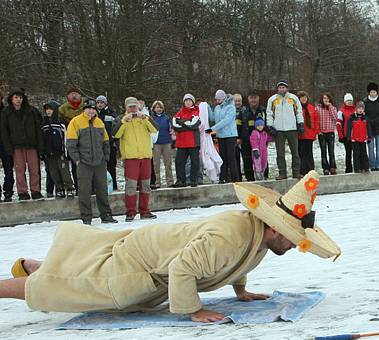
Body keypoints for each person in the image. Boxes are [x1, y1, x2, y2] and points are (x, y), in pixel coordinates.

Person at [2, 171, 340, 323]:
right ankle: (17, 283)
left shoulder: (258, 236)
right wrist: (193, 309)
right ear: (274, 227)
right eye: (292, 239)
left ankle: (34, 264)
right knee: (63, 290)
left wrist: (241, 290)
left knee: (79, 269)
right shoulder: (231, 236)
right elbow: (183, 268)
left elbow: (241, 260)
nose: (296, 246)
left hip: (151, 247)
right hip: (137, 264)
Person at [66, 99, 117, 224]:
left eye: (93, 109)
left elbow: (106, 142)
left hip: (99, 162)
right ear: (84, 109)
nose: (91, 111)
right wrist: (77, 159)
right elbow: (71, 144)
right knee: (84, 191)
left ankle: (106, 215)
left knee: (102, 190)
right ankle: (86, 217)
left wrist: (105, 157)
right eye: (88, 108)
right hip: (84, 162)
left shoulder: (99, 122)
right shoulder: (75, 122)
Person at [114, 96, 158, 222]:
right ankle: (130, 212)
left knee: (146, 185)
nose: (133, 109)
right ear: (126, 107)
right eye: (130, 106)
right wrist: (124, 121)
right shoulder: (121, 119)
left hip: (145, 156)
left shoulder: (144, 118)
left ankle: (145, 211)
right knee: (131, 186)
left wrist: (146, 118)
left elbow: (155, 129)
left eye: (135, 106)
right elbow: (115, 134)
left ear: (138, 106)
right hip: (131, 158)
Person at [0, 89, 44, 200]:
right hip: (16, 146)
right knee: (20, 170)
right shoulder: (6, 112)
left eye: (20, 97)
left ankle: (35, 191)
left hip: (31, 145)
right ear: (11, 99)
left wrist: (40, 145)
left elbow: (38, 129)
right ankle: (22, 192)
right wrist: (8, 147)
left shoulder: (31, 111)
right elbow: (4, 132)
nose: (18, 100)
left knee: (34, 170)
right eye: (16, 97)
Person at [266, 80, 304, 180]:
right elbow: (269, 113)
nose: (281, 89)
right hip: (278, 130)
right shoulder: (272, 99)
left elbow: (299, 112)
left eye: (283, 87)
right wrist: (270, 126)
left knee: (295, 152)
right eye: (280, 87)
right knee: (280, 153)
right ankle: (282, 173)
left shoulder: (293, 98)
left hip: (292, 128)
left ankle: (296, 172)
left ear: (287, 88)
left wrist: (300, 124)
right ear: (277, 89)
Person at [40, 100, 74, 198]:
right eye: (46, 109)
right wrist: (43, 152)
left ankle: (70, 188)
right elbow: (42, 139)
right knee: (53, 172)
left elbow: (65, 137)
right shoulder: (44, 123)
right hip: (49, 153)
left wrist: (66, 152)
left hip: (61, 153)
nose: (48, 111)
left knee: (64, 172)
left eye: (50, 109)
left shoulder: (61, 122)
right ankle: (59, 189)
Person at [172, 93, 202, 188]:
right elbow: (174, 124)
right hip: (181, 143)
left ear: (192, 102)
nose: (188, 102)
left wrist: (181, 122)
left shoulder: (196, 111)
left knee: (195, 162)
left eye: (189, 100)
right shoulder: (179, 112)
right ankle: (181, 180)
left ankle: (194, 180)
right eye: (186, 101)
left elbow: (193, 124)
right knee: (179, 162)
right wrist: (186, 123)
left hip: (193, 142)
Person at [210, 90, 240, 183]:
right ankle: (223, 178)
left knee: (231, 157)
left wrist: (212, 129)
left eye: (219, 99)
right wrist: (205, 107)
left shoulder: (231, 107)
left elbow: (226, 121)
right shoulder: (217, 108)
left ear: (223, 98)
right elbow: (212, 118)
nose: (217, 101)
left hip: (230, 135)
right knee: (222, 157)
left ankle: (235, 178)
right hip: (221, 136)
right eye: (216, 99)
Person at [94, 95, 118, 190]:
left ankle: (114, 185)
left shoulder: (111, 113)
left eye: (102, 103)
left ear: (105, 103)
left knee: (111, 165)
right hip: (97, 144)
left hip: (109, 144)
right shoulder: (93, 113)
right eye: (98, 103)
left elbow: (115, 127)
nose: (100, 104)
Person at [150, 100, 173, 188]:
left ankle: (170, 181)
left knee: (168, 163)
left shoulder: (167, 118)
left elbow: (171, 130)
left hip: (166, 142)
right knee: (156, 164)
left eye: (160, 107)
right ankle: (157, 182)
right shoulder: (151, 118)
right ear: (154, 109)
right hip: (156, 143)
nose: (158, 109)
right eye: (157, 107)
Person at [363, 83, 379, 172]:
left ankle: (378, 165)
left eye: (374, 92)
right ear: (369, 92)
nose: (373, 93)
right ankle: (372, 165)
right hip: (369, 128)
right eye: (371, 92)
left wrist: (375, 121)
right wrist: (369, 121)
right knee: (371, 147)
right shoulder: (365, 102)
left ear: (377, 92)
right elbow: (363, 113)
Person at [297, 91, 319, 173]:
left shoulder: (311, 107)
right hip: (300, 135)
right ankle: (302, 170)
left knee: (309, 152)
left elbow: (316, 120)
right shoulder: (296, 108)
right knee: (301, 153)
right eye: (301, 97)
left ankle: (310, 169)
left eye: (305, 97)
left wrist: (316, 131)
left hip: (310, 134)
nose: (303, 98)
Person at [316, 93, 338, 175]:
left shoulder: (333, 108)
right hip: (321, 133)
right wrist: (318, 130)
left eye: (327, 98)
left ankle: (333, 167)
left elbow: (335, 118)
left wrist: (330, 107)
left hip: (330, 132)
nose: (326, 100)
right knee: (323, 151)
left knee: (331, 151)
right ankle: (325, 168)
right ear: (322, 99)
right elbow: (316, 120)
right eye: (324, 98)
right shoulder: (318, 108)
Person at [346, 101, 370, 173]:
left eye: (362, 108)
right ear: (356, 109)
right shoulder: (352, 117)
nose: (360, 110)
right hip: (355, 139)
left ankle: (365, 167)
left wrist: (369, 137)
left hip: (363, 139)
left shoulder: (365, 118)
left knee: (364, 153)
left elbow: (368, 128)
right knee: (356, 154)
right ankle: (357, 168)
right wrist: (349, 137)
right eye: (359, 108)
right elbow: (349, 128)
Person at [336, 93, 356, 173]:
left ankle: (357, 167)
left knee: (356, 153)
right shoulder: (341, 111)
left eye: (351, 100)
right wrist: (341, 136)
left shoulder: (355, 110)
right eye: (348, 101)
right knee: (348, 153)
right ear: (345, 101)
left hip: (355, 135)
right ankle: (348, 169)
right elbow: (338, 124)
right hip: (346, 136)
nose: (350, 102)